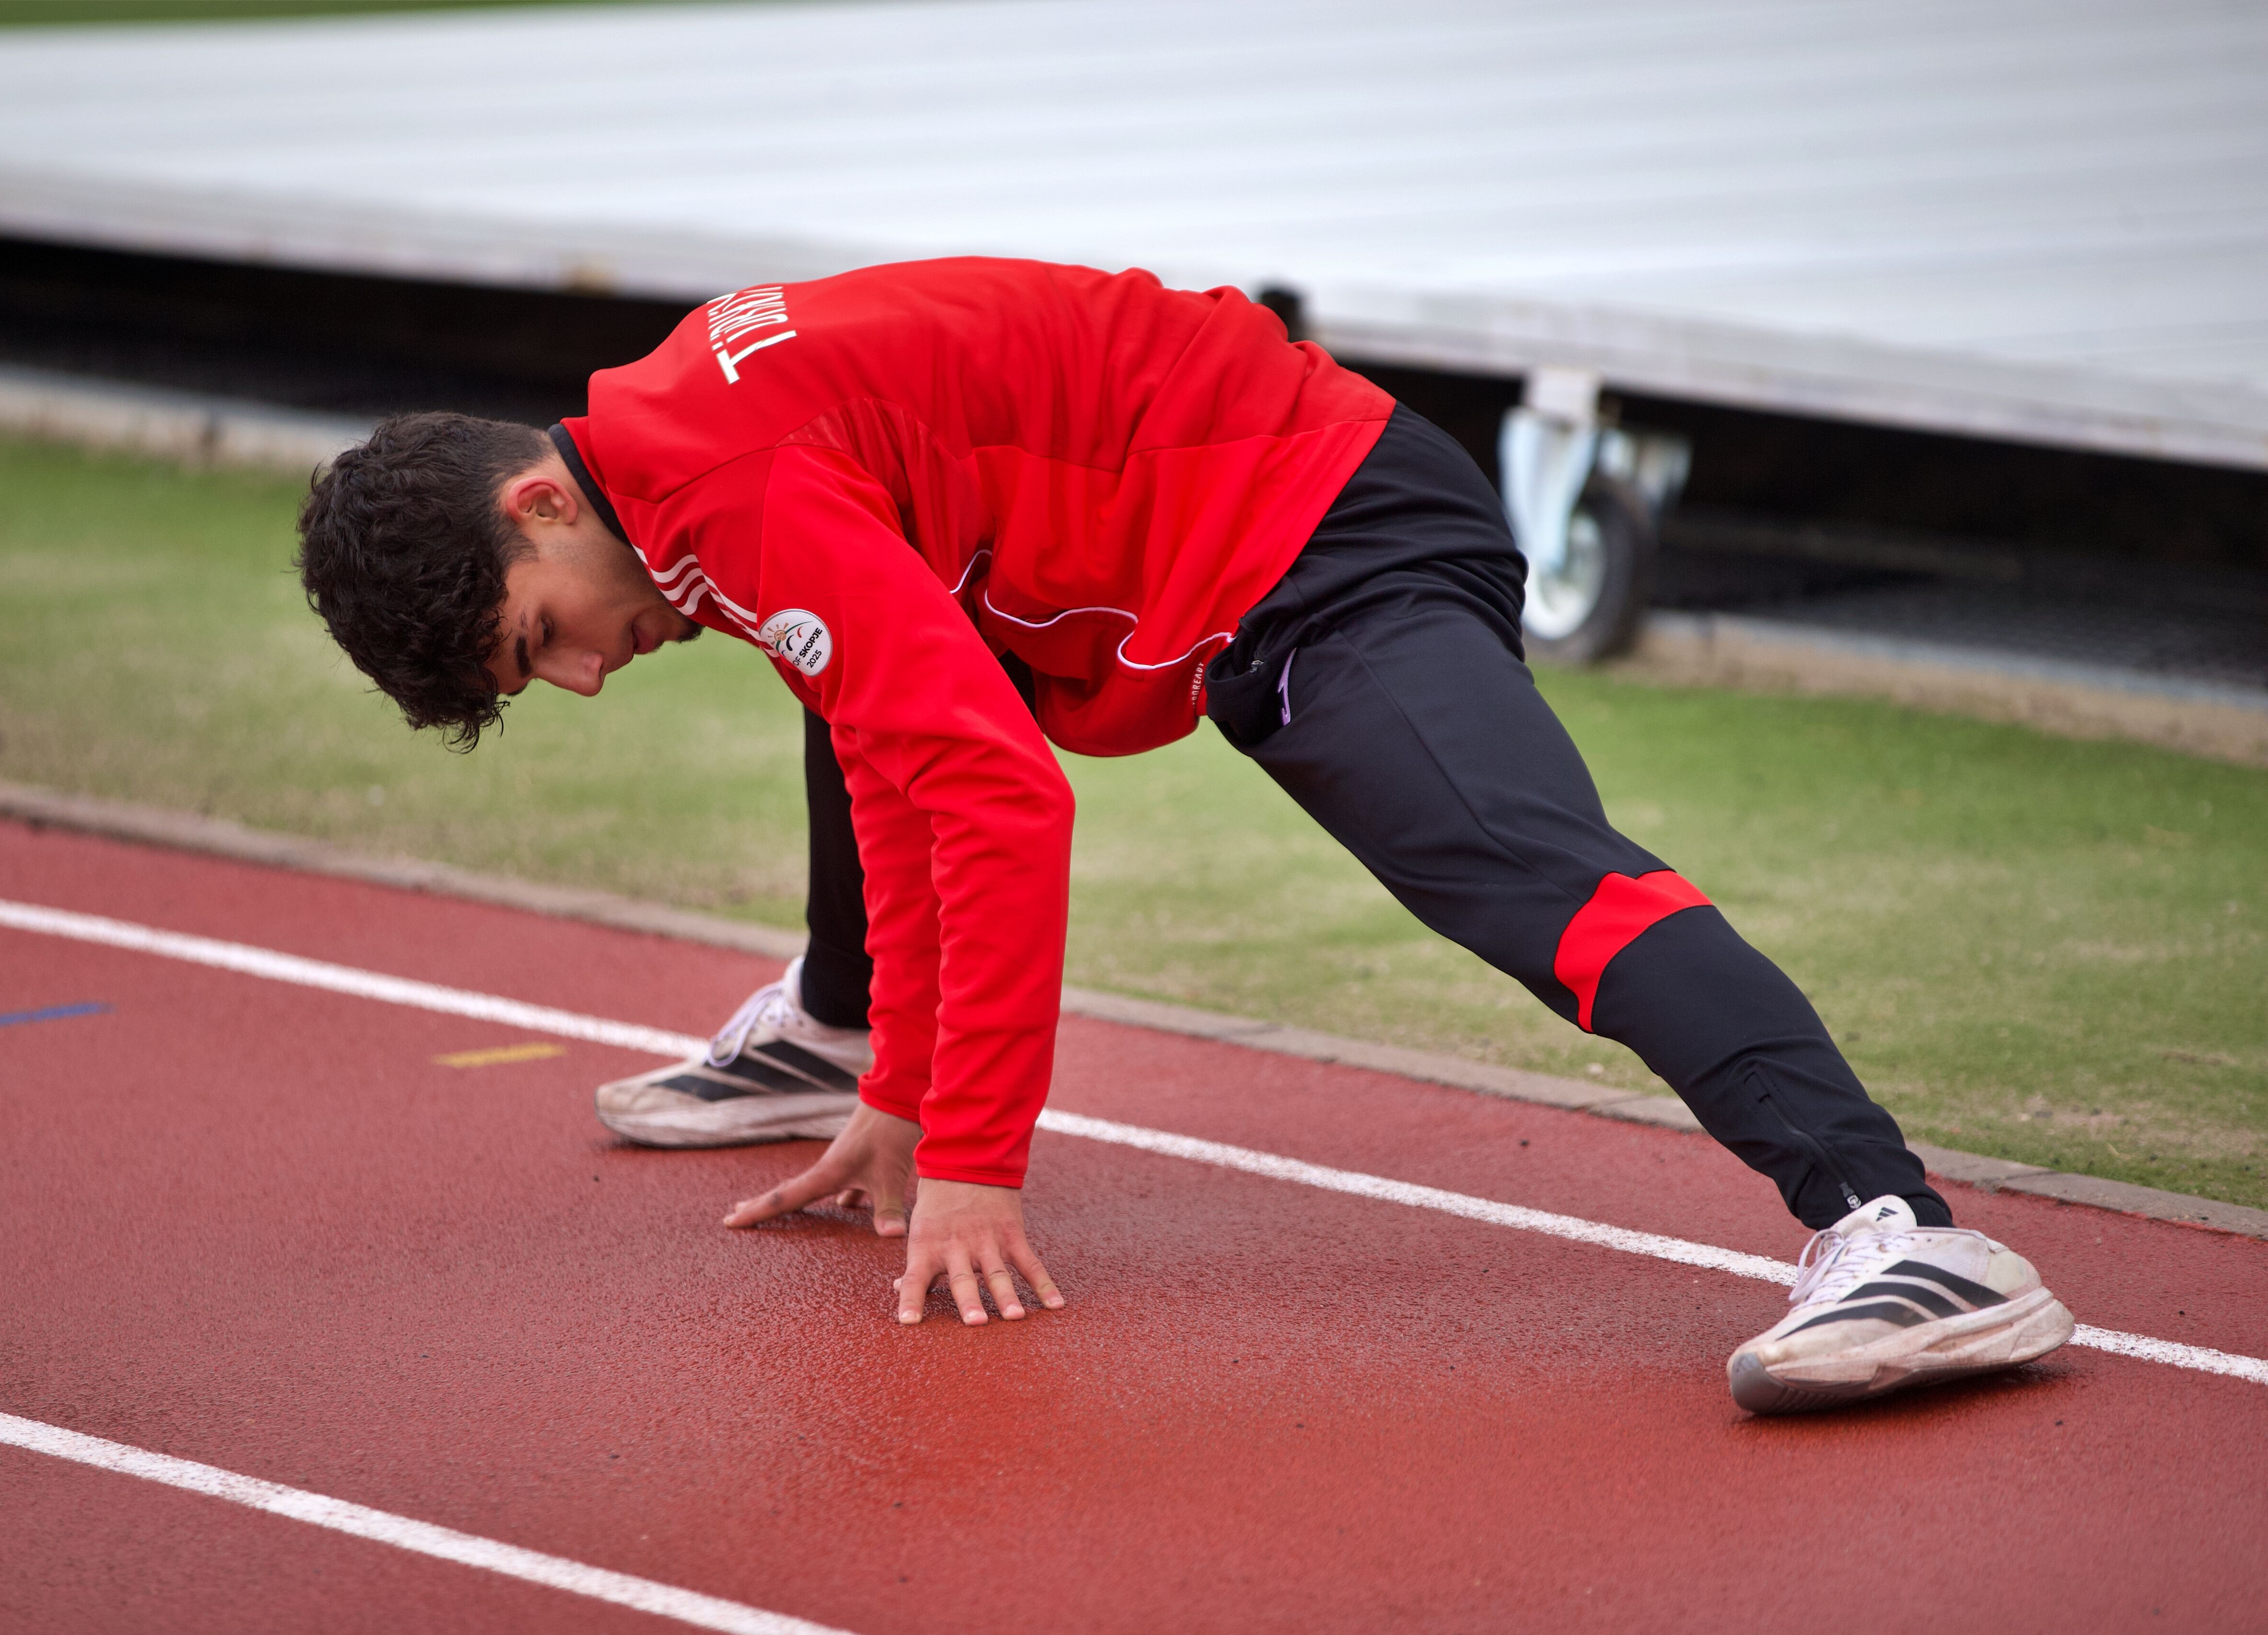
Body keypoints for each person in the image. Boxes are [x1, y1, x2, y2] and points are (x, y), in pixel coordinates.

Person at [295, 257, 2074, 1413]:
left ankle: (1901, 1229)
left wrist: (976, 1160)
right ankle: (835, 1038)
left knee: (1528, 878)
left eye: (541, 641)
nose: (585, 681)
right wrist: (905, 1096)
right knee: (866, 724)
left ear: (541, 504)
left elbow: (997, 797)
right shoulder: (678, 462)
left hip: (1328, 532)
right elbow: (913, 762)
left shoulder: (724, 486)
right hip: (1255, 528)